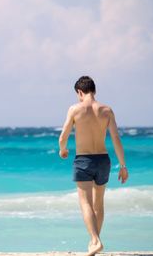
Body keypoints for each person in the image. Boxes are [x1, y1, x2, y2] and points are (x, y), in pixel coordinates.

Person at [58, 76, 129, 255]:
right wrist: (123, 166)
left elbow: (63, 136)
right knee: (99, 203)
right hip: (103, 160)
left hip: (83, 160)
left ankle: (95, 240)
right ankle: (94, 241)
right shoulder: (107, 110)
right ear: (94, 91)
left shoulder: (75, 109)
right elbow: (116, 139)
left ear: (80, 92)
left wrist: (63, 150)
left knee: (85, 202)